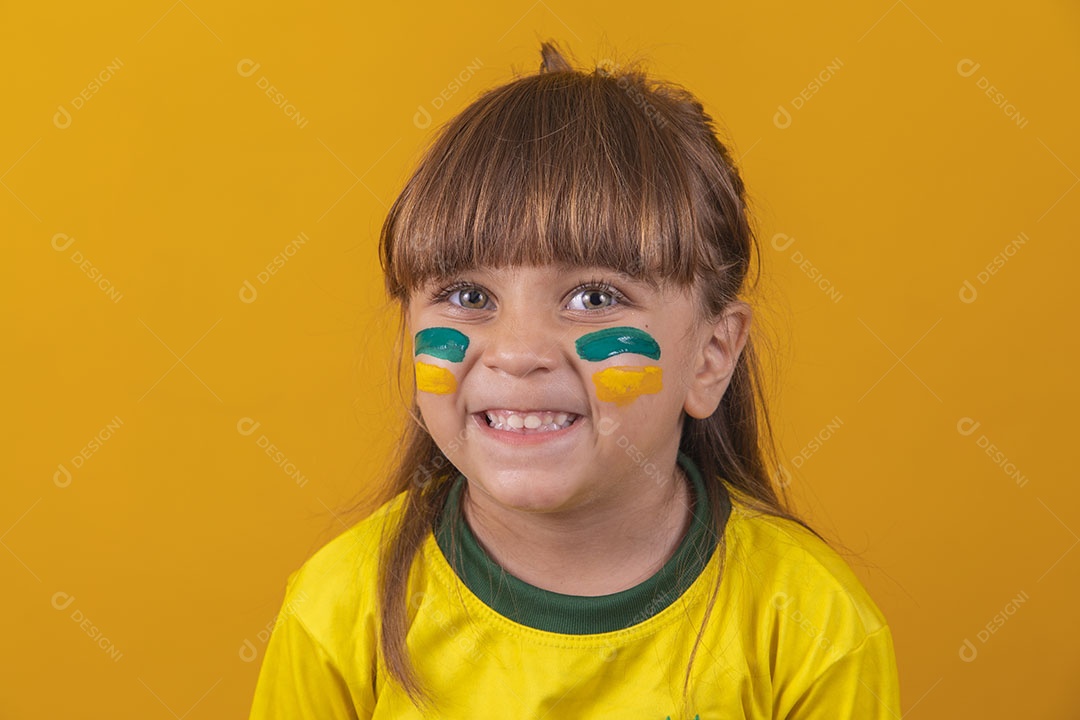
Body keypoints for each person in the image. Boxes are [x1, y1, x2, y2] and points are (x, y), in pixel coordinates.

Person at [247, 39, 902, 719]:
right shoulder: (336, 612)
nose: (518, 352)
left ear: (711, 356)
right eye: (470, 297)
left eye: (594, 297)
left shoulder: (812, 625)